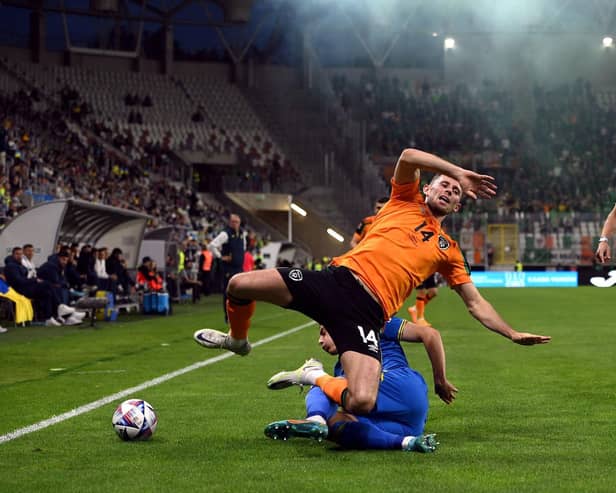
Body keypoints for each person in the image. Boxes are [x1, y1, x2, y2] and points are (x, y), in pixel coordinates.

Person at [194, 148, 551, 416]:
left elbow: (475, 302)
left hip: (367, 314)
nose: (449, 190)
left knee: (363, 401)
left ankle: (313, 376)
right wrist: (458, 170)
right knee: (239, 284)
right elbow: (409, 156)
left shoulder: (449, 250)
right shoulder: (402, 200)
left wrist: (510, 332)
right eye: (444, 185)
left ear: (457, 207)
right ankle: (238, 341)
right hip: (335, 282)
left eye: (456, 192)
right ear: (427, 189)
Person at [264, 317, 455, 452]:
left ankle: (312, 382)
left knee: (323, 386)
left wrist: (440, 380)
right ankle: (408, 443)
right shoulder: (342, 367)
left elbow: (429, 334)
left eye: (323, 332)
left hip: (399, 382)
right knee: (335, 426)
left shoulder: (370, 322)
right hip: (410, 424)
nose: (319, 340)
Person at [207, 213, 246, 322]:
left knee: (241, 292)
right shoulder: (225, 234)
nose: (235, 224)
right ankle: (228, 315)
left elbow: (243, 247)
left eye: (237, 222)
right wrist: (220, 257)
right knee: (229, 293)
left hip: (239, 268)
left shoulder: (242, 234)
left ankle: (238, 313)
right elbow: (212, 245)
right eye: (233, 222)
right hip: (229, 268)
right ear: (230, 222)